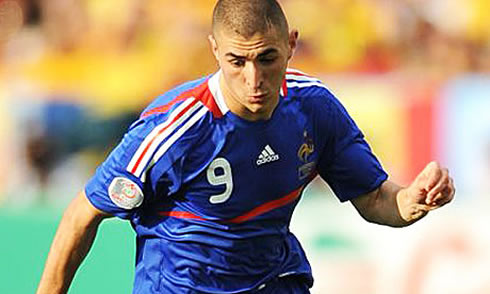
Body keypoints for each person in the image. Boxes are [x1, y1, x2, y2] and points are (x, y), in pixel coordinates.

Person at [36, 0, 455, 293]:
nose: (253, 79)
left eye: (267, 58)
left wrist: (412, 201)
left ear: (291, 44)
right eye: (237, 61)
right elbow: (82, 214)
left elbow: (376, 199)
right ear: (215, 51)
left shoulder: (314, 109)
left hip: (275, 283)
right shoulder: (176, 129)